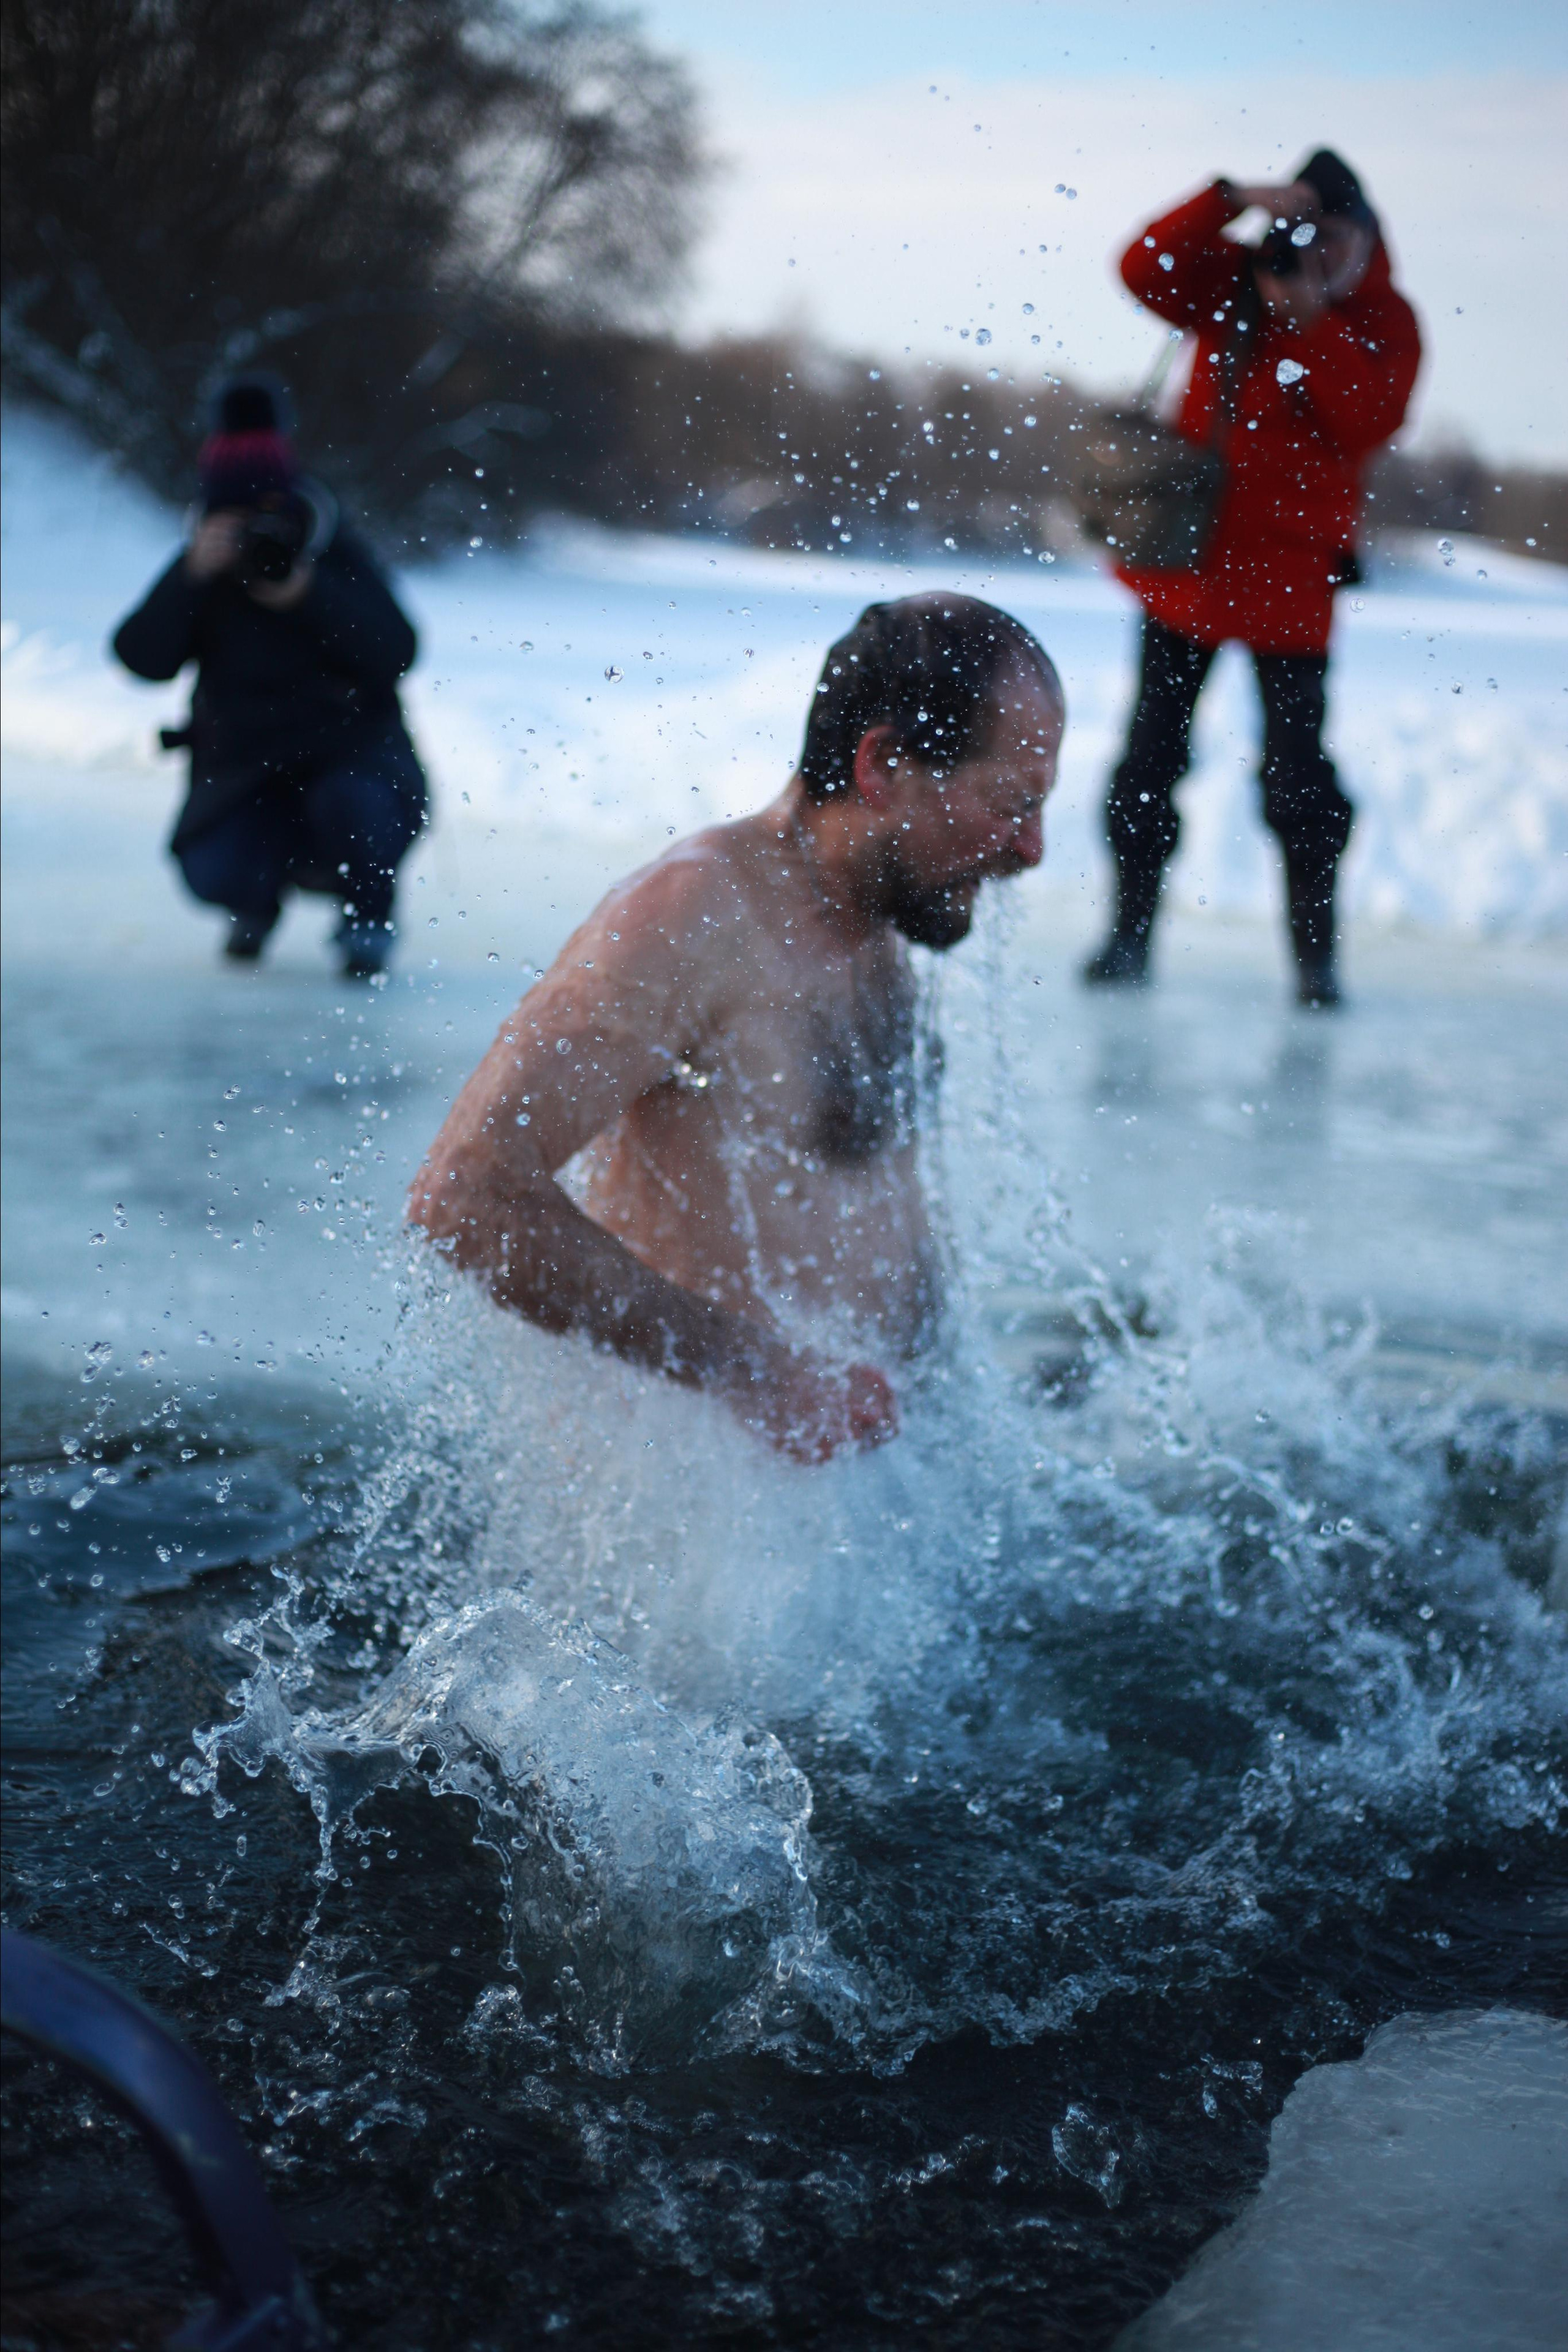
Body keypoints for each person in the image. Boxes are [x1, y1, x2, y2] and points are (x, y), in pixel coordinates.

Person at [410, 594, 1063, 1462]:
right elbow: (467, 1194)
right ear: (882, 767)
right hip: (696, 1526)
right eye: (1011, 803)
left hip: (866, 1497)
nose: (1033, 848)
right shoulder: (694, 915)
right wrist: (753, 1372)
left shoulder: (874, 918)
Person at [1085, 149, 1422, 1006]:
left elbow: (1370, 421)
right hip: (1186, 575)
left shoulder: (1385, 319)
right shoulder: (1234, 282)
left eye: (1339, 239)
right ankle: (1127, 943)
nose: (1323, 256)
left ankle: (1316, 967)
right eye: (1309, 233)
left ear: (1369, 237)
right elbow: (1139, 268)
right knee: (1149, 766)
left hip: (1294, 593)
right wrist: (1225, 200)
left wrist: (1313, 324)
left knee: (1300, 787)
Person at [111, 377, 427, 978]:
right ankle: (251, 907)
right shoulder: (205, 571)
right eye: (237, 520)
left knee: (356, 810)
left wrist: (307, 593)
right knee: (215, 868)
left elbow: (398, 649)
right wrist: (191, 576)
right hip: (246, 774)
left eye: (265, 518)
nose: (256, 537)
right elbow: (140, 659)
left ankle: (369, 915)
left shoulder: (331, 549)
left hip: (352, 767)